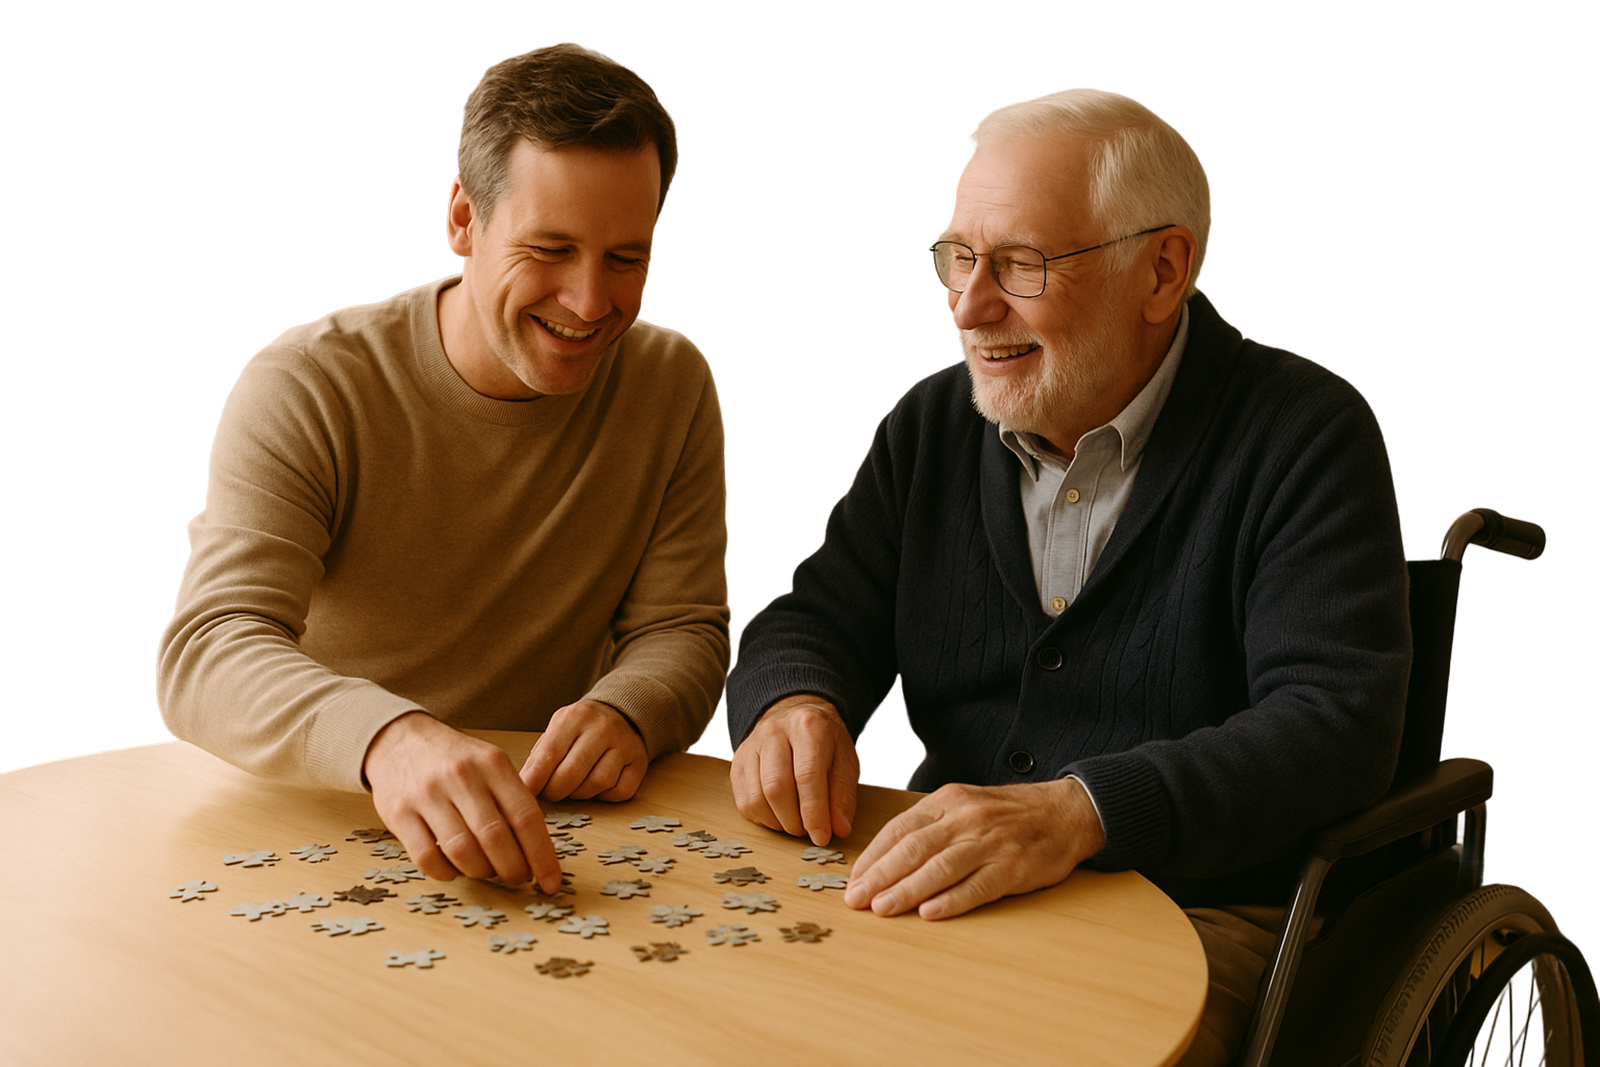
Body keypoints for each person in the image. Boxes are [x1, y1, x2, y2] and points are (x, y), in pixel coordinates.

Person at [724, 87, 1409, 1067]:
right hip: (949, 884)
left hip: (1198, 912)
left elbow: (1333, 723)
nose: (969, 305)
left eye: (1021, 264)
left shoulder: (1303, 431)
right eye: (958, 257)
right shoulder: (929, 423)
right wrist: (790, 700)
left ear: (1162, 268)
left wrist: (1083, 808)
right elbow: (817, 615)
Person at [156, 44, 730, 897]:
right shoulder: (306, 382)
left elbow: (685, 629)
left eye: (626, 258)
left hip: (542, 842)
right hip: (307, 831)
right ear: (463, 219)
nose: (588, 301)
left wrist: (628, 708)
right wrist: (391, 738)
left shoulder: (672, 380)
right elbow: (205, 650)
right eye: (549, 248)